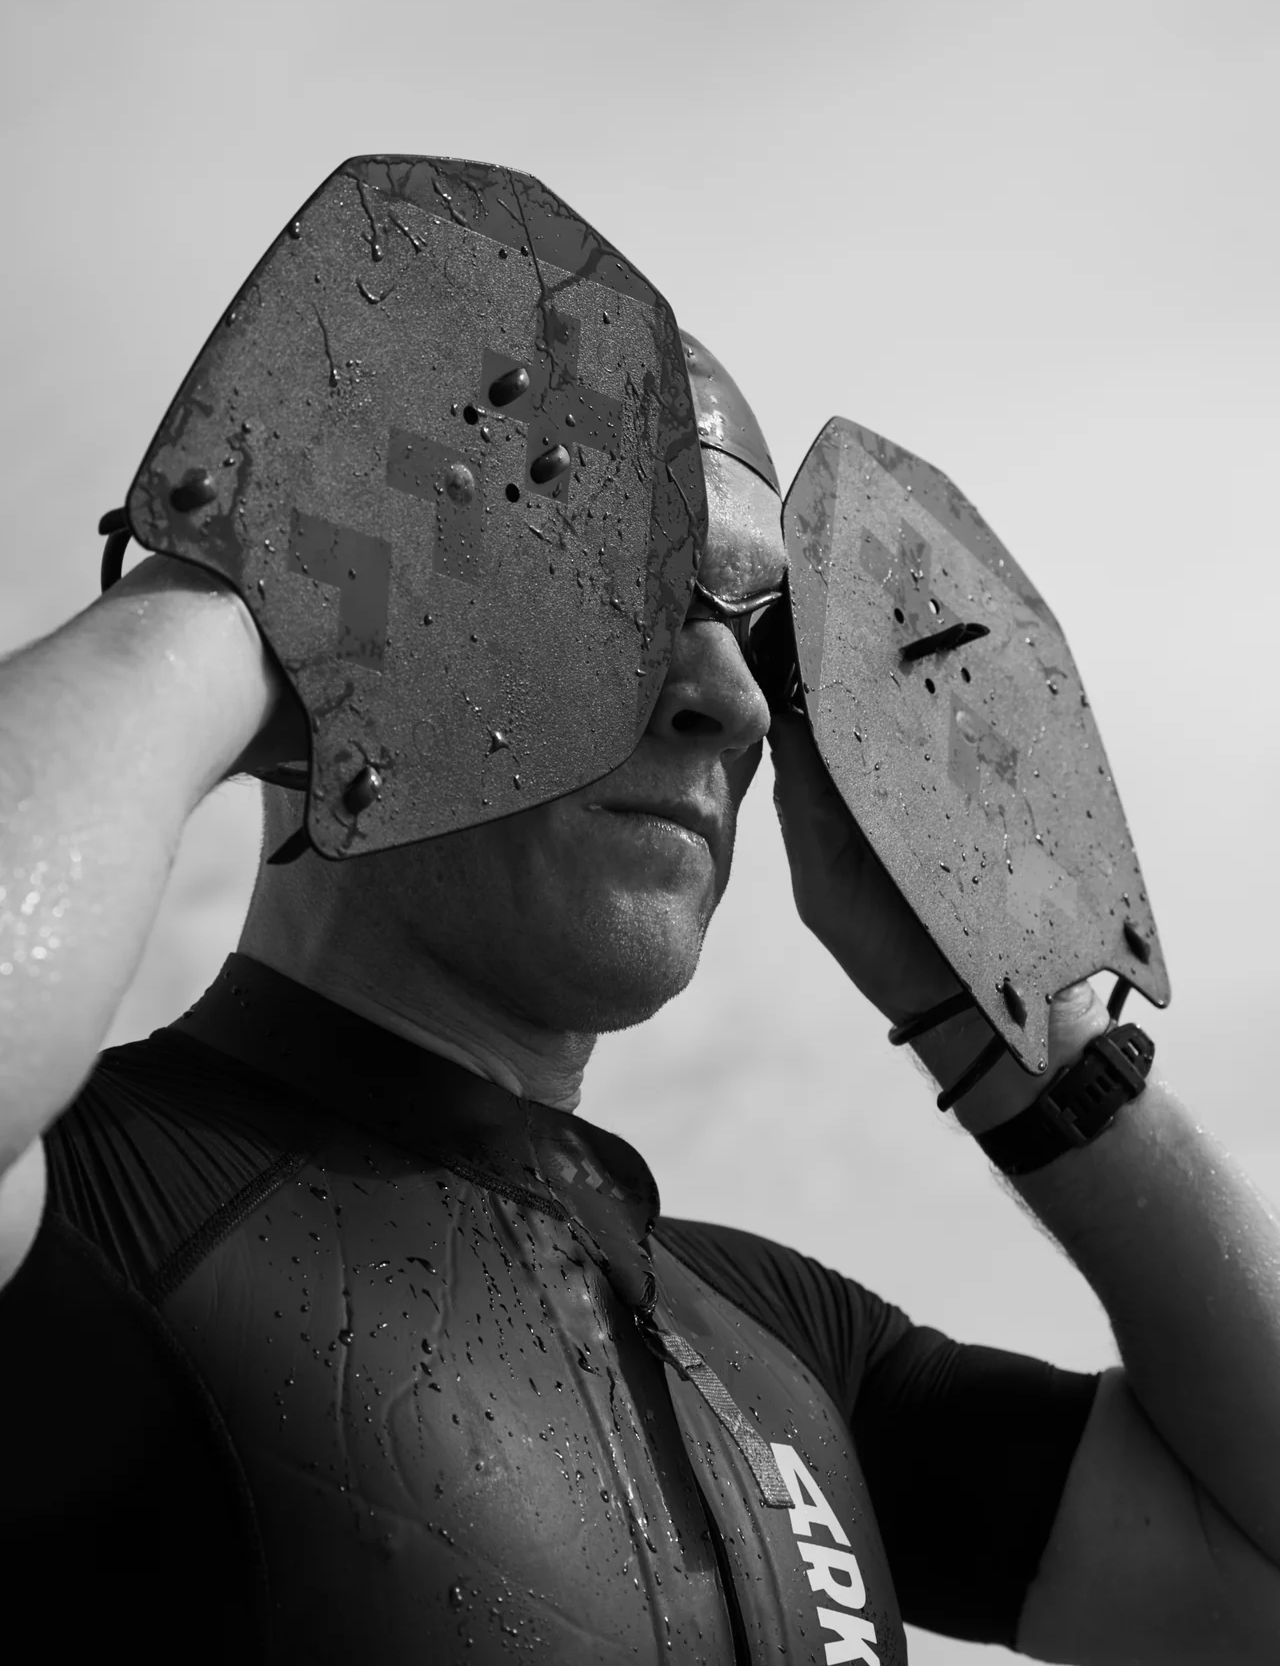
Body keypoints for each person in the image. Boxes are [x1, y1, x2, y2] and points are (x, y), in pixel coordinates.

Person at [1, 335, 1278, 1666]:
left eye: (771, 642)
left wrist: (1025, 1035)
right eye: (605, 577)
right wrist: (236, 599)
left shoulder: (780, 1346)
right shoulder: (83, 1217)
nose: (734, 702)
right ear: (359, 610)